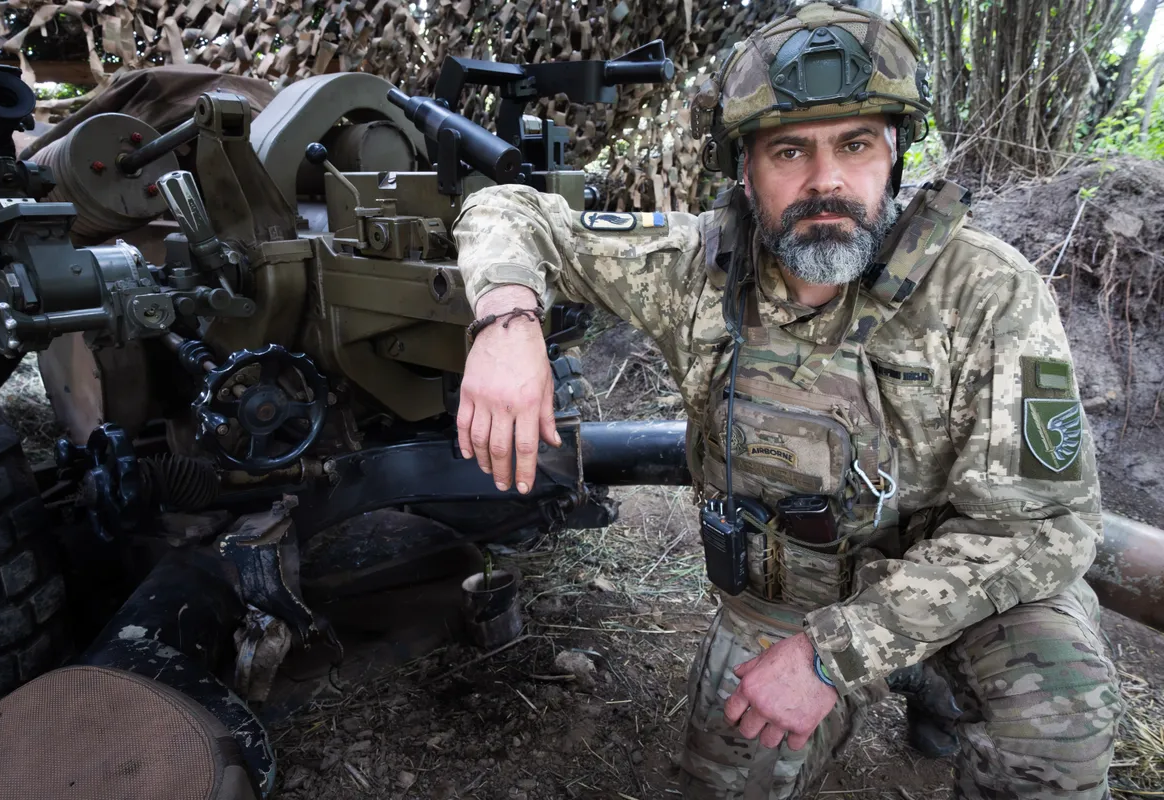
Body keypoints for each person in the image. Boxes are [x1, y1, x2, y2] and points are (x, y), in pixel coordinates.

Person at [450, 3, 1125, 797]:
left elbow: (1040, 527)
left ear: (895, 156)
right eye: (789, 151)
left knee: (1059, 731)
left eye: (856, 145)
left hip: (968, 597)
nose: (826, 179)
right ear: (746, 171)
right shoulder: (692, 270)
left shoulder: (986, 289)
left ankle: (933, 689)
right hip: (787, 593)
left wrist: (833, 655)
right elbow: (508, 208)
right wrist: (506, 318)